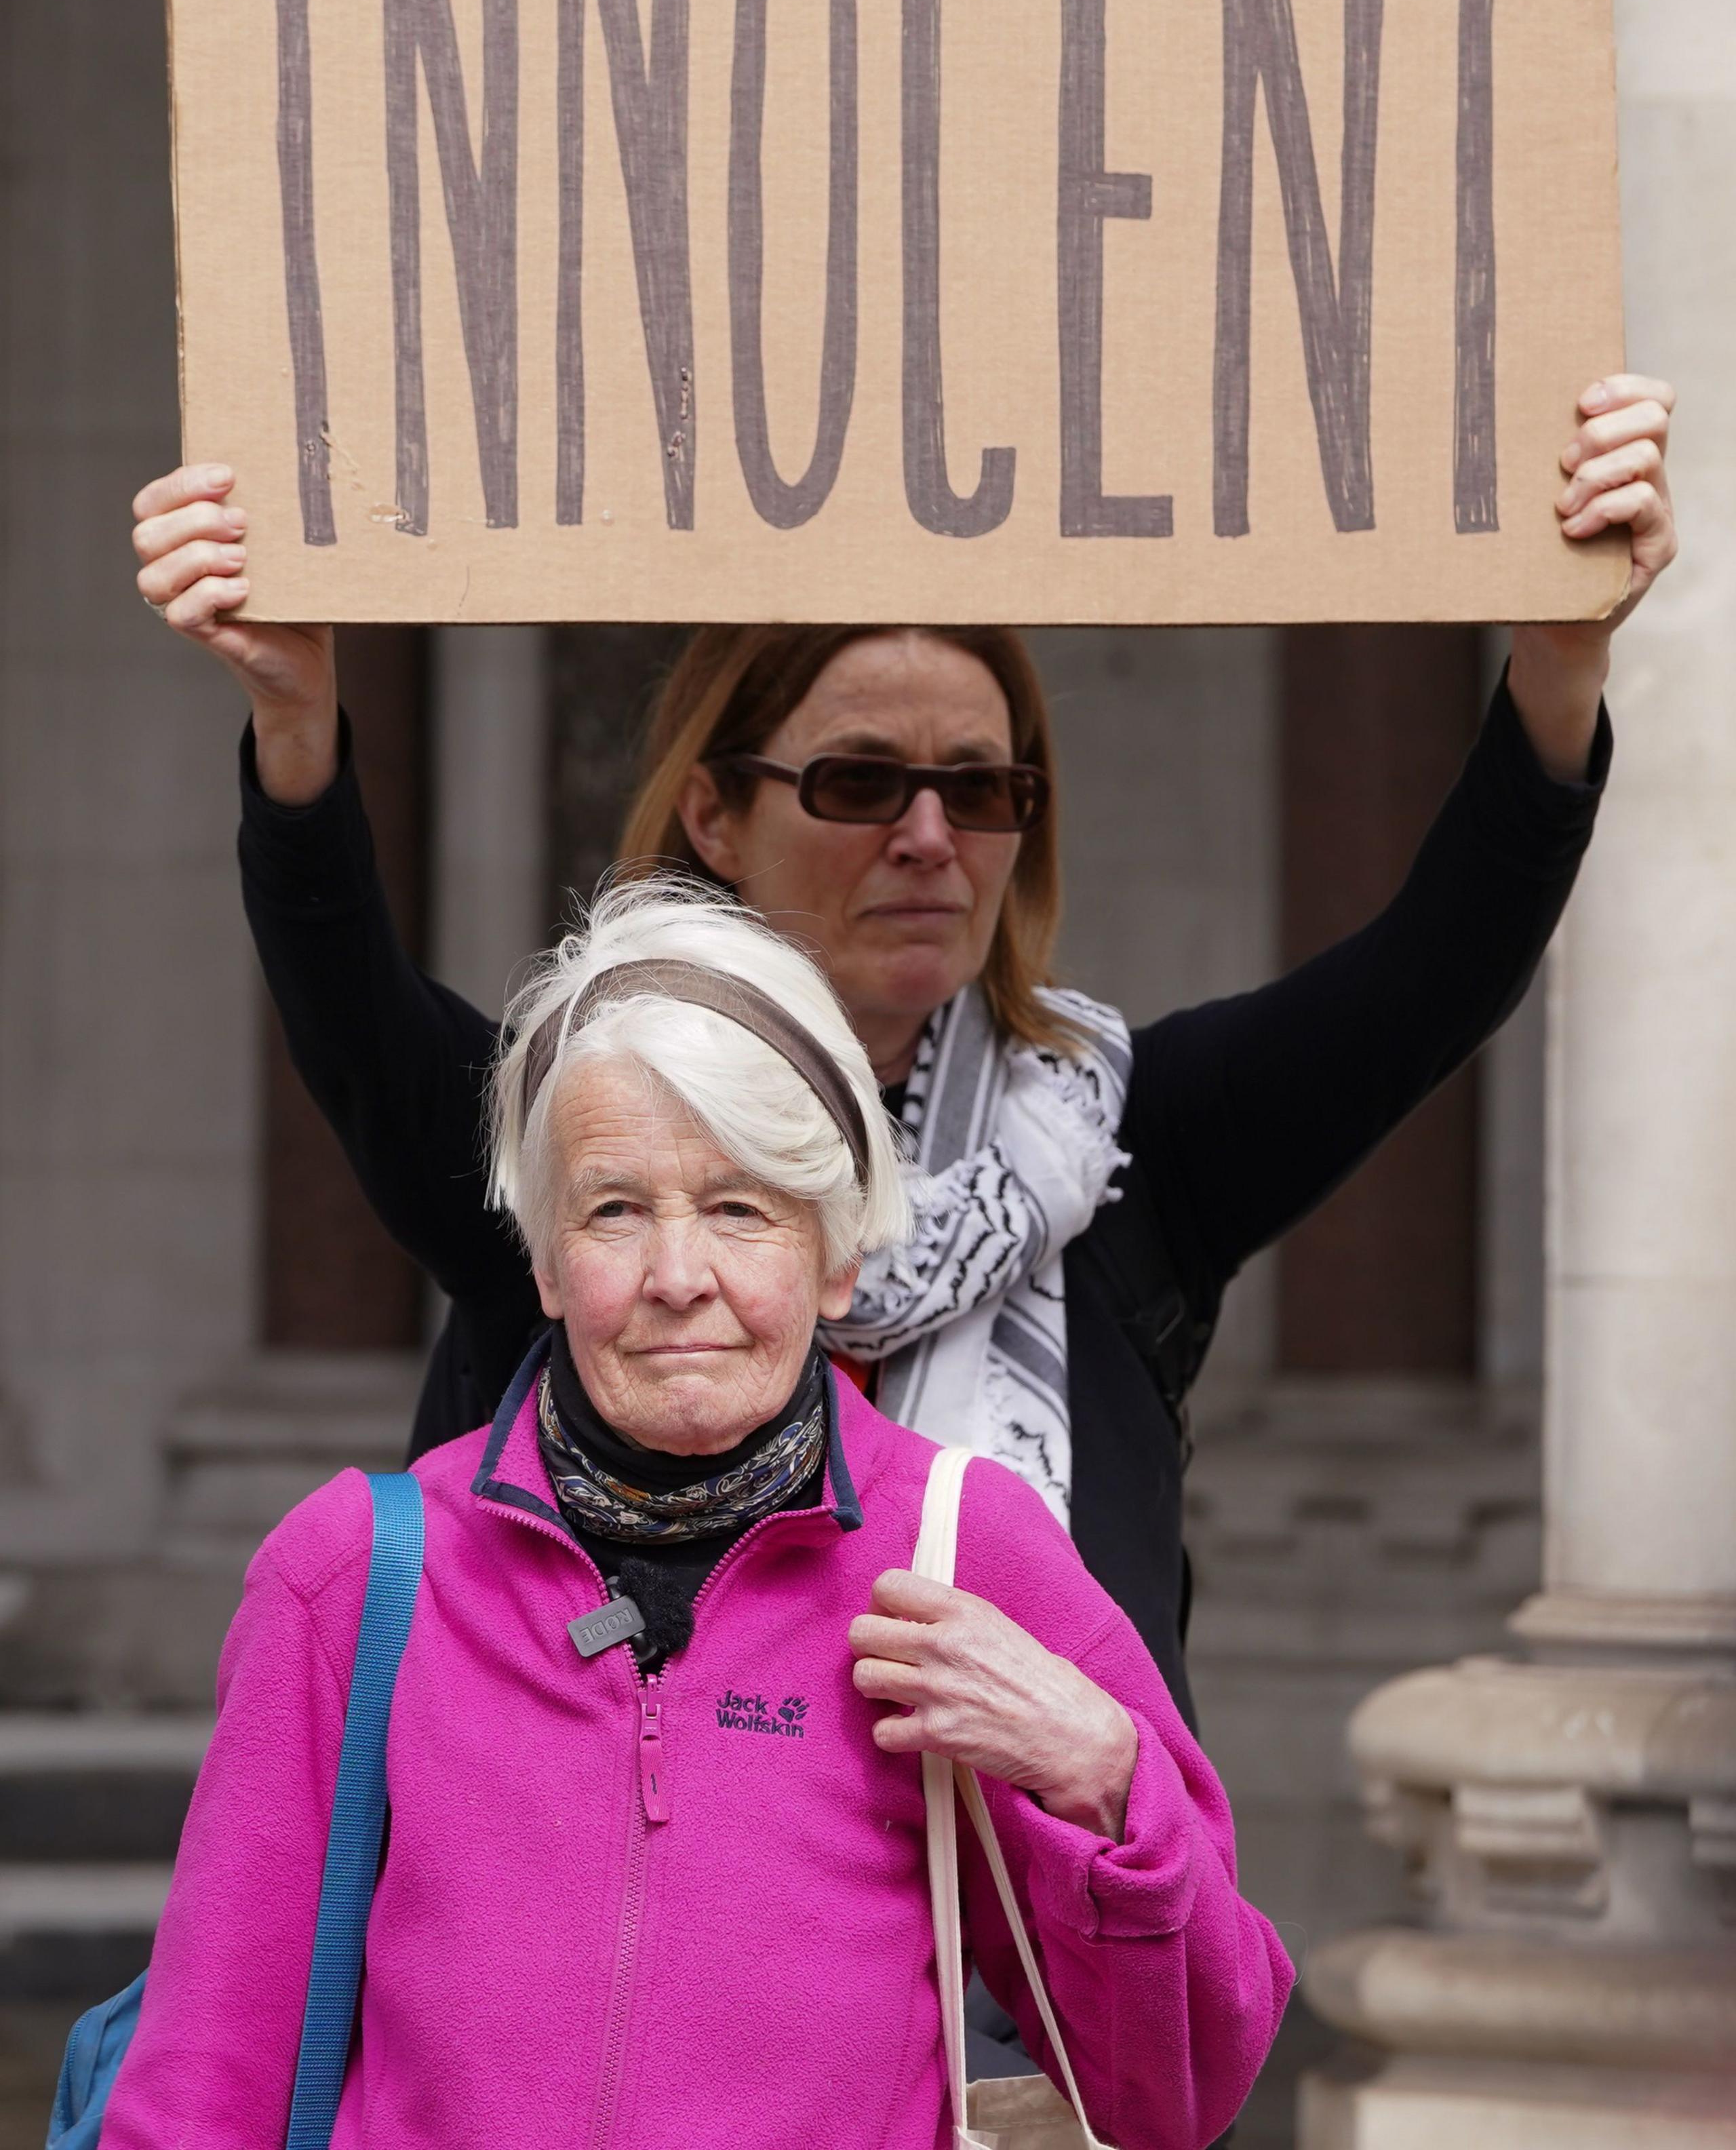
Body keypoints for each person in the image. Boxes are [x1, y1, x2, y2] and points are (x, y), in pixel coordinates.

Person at [130, 374, 1678, 1728]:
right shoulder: (574, 1130)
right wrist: (294, 723)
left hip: (1006, 1978)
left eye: (985, 789)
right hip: (635, 1937)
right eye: (861, 781)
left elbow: (1430, 982)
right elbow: (348, 1008)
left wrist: (1552, 663)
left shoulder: (1124, 1147)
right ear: (715, 812)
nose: (932, 838)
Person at [98, 884, 1292, 2150]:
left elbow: (1180, 2097)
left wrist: (1106, 1784)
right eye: (616, 1209)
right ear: (549, 1263)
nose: (680, 1278)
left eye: (742, 1208)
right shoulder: (354, 1575)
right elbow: (199, 2088)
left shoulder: (963, 1549)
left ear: (837, 1256)